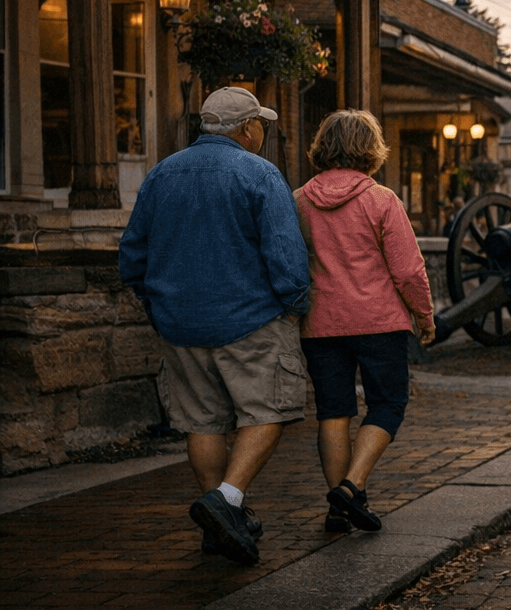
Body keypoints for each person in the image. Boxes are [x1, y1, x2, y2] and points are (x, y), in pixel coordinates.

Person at [118, 87, 310, 566]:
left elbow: (132, 253)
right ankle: (226, 500)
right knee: (267, 412)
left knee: (200, 422)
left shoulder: (162, 173)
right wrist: (294, 306)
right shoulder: (260, 173)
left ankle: (220, 523)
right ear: (246, 128)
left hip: (179, 322)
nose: (262, 131)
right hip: (250, 318)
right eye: (260, 123)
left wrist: (155, 303)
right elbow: (286, 255)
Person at [292, 110, 435, 534]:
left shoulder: (298, 201)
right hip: (379, 321)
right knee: (387, 404)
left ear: (322, 145)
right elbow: (408, 270)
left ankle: (339, 509)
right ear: (371, 149)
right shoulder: (381, 200)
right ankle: (352, 486)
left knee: (333, 412)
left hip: (321, 323)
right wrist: (424, 315)